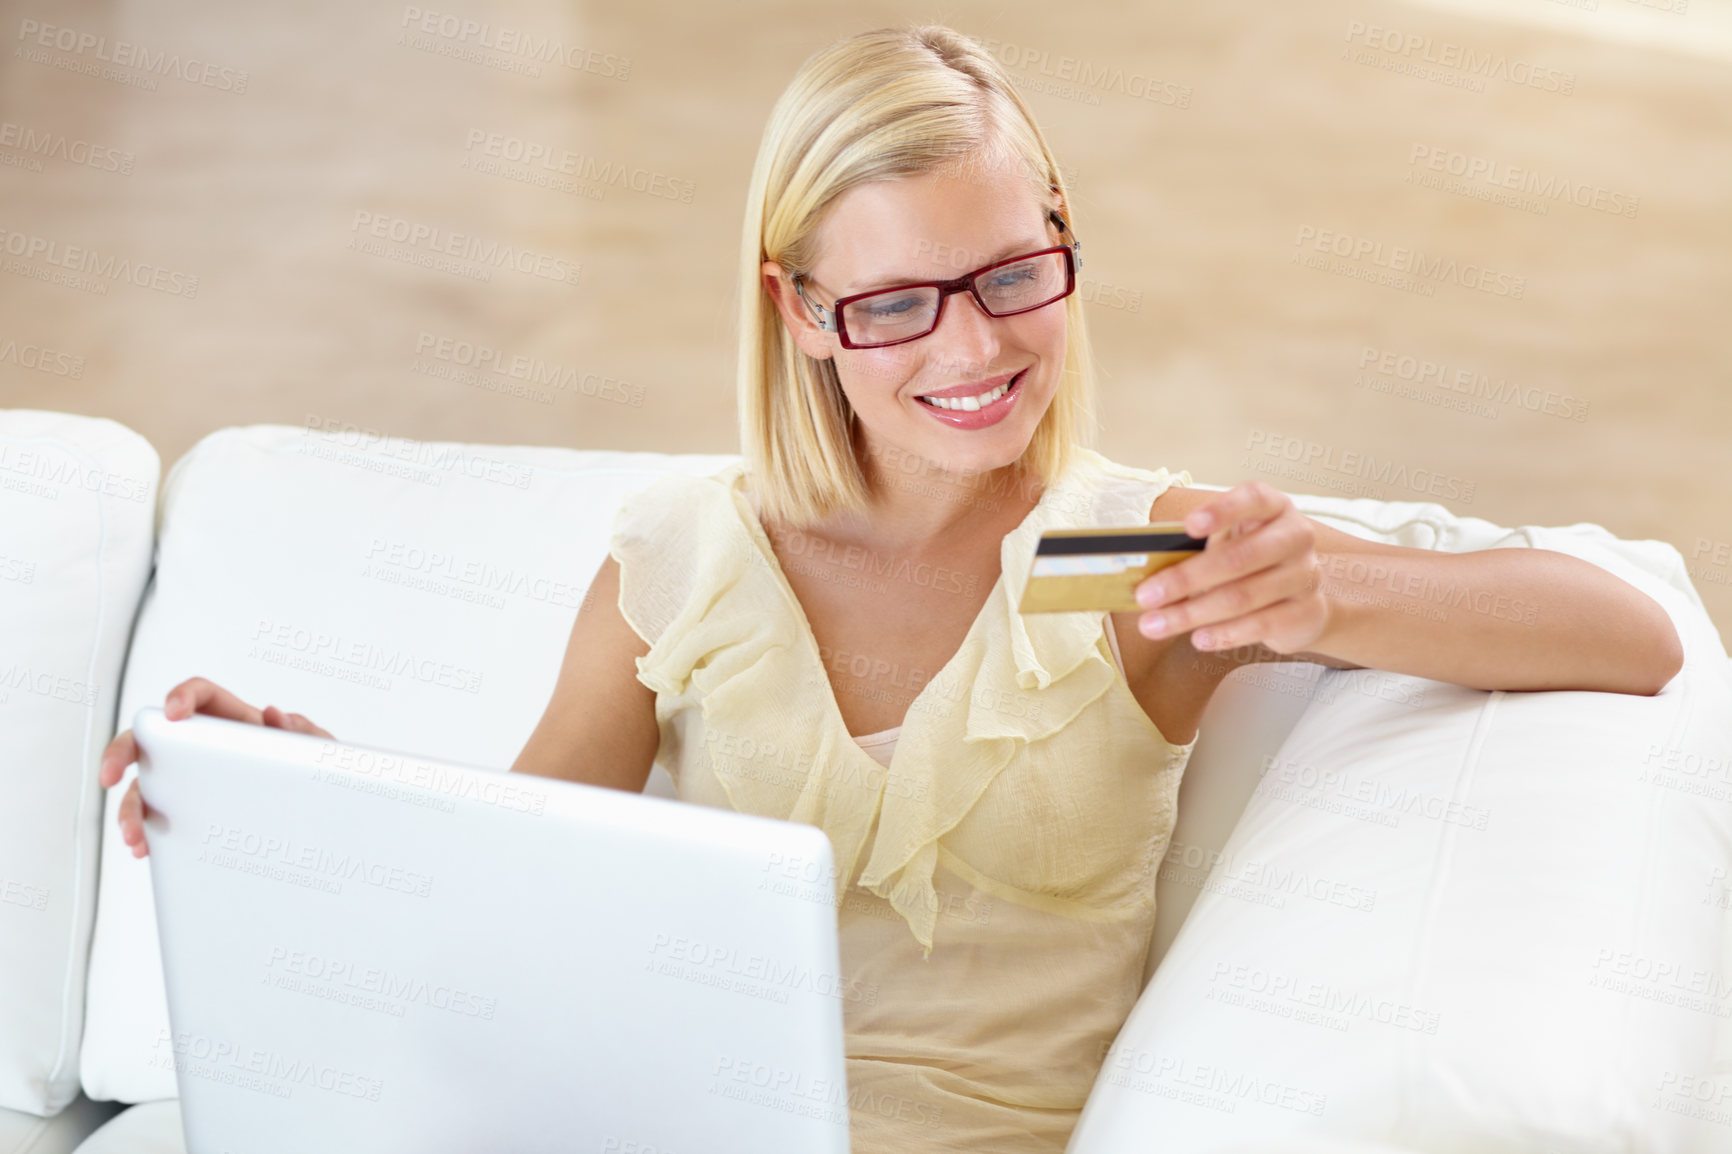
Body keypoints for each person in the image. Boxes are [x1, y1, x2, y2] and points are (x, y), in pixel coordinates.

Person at [101, 24, 1683, 1153]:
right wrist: (302, 791)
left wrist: (1322, 595)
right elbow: (505, 886)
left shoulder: (1115, 559)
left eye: (1011, 274)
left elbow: (1627, 628)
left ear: (1062, 245)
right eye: (899, 304)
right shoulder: (684, 566)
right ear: (794, 311)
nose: (974, 349)